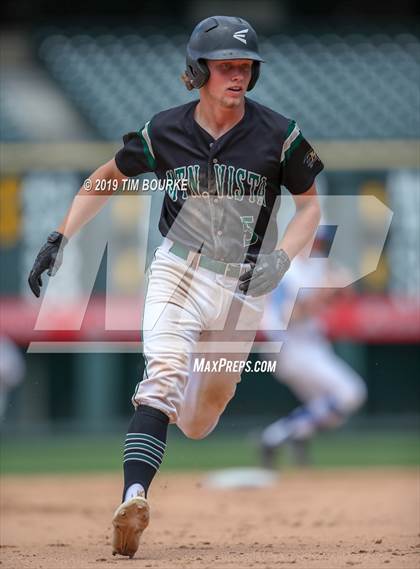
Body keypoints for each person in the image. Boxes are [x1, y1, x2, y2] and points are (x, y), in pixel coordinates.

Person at [28, 16, 323, 558]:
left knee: (203, 415)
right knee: (161, 380)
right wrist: (60, 234)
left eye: (245, 67)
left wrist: (282, 260)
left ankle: (183, 414)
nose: (237, 75)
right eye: (225, 66)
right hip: (178, 270)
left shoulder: (280, 134)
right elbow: (106, 176)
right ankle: (133, 497)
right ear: (198, 71)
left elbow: (311, 209)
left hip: (244, 285)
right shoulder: (164, 130)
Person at [260, 228, 367, 468]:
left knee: (326, 409)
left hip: (312, 345)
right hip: (290, 347)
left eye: (322, 240)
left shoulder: (316, 267)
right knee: (351, 392)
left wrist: (333, 289)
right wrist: (316, 300)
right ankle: (277, 436)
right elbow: (283, 318)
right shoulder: (285, 271)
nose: (318, 245)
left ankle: (291, 437)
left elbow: (346, 285)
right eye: (315, 239)